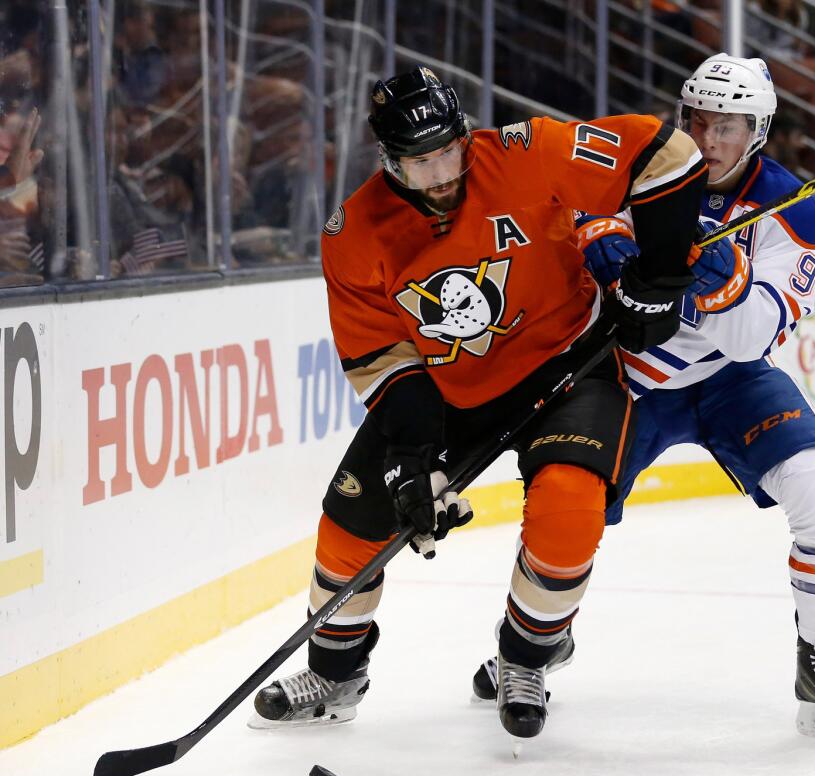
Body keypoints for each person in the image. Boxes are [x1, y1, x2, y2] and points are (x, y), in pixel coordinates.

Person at [249, 65, 707, 741]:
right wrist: (411, 460)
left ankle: (524, 658)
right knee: (350, 527)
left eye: (447, 152)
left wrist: (661, 276)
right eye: (418, 161)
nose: (439, 175)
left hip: (569, 363)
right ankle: (336, 674)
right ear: (387, 159)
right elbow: (382, 359)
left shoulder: (525, 152)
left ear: (465, 134)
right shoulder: (354, 234)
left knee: (569, 508)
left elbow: (668, 154)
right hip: (446, 392)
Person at [473, 53, 815, 741]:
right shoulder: (645, 170)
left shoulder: (797, 214)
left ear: (758, 130)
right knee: (563, 507)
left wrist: (720, 288)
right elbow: (560, 201)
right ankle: (531, 651)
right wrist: (589, 234)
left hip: (731, 377)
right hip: (626, 372)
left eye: (728, 126)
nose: (711, 139)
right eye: (699, 121)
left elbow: (755, 338)